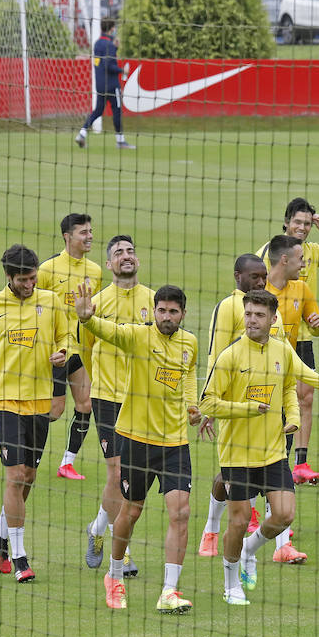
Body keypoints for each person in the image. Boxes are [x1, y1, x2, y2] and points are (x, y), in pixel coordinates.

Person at [75, 282, 199, 613]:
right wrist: (87, 319)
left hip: (175, 442)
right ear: (154, 311)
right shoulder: (138, 336)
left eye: (174, 311)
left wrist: (192, 404)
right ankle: (114, 576)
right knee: (131, 511)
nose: (167, 316)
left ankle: (169, 591)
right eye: (161, 310)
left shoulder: (190, 343)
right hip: (136, 440)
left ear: (183, 314)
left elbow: (187, 375)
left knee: (181, 512)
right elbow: (110, 331)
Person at [0, 245, 72, 583]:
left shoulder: (50, 301)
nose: (29, 284)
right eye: (23, 279)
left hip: (40, 402)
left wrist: (63, 352)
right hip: (5, 402)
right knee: (16, 475)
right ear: (8, 277)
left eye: (33, 277)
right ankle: (20, 556)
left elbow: (65, 335)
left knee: (29, 477)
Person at [199, 290, 317, 606]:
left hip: (273, 450)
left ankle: (250, 550)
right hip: (237, 451)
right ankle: (231, 584)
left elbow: (291, 387)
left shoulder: (282, 351)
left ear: (272, 319)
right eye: (248, 314)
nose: (252, 320)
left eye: (259, 315)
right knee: (238, 520)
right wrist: (246, 408)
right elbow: (207, 401)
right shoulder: (230, 356)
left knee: (284, 513)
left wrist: (292, 417)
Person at [255, 198, 319, 485]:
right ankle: (271, 461)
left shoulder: (312, 251)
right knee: (273, 400)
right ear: (286, 222)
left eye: (308, 223)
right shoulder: (269, 254)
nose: (303, 227)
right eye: (298, 222)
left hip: (302, 338)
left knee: (305, 399)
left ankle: (300, 463)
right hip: (272, 340)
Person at [81, 235, 153, 578]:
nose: (126, 256)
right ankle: (118, 549)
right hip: (108, 399)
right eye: (118, 253)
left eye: (130, 251)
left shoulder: (154, 302)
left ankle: (97, 527)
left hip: (143, 400)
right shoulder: (96, 303)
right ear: (108, 265)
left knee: (132, 477)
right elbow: (84, 348)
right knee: (119, 472)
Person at [197, 255, 271, 557]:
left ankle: (264, 531)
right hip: (234, 401)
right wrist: (211, 405)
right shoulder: (229, 307)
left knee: (265, 465)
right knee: (231, 471)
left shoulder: (267, 304)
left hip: (265, 401)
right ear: (238, 276)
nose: (261, 282)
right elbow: (217, 352)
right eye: (255, 277)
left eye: (264, 276)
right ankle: (211, 528)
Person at [262, 234, 319, 561]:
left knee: (278, 455)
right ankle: (227, 521)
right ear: (284, 260)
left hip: (286, 373)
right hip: (258, 382)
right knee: (249, 462)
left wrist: (316, 325)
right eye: (301, 258)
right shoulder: (259, 293)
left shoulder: (302, 289)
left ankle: (281, 537)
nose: (305, 264)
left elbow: (315, 330)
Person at [38, 213, 103, 481]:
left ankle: (67, 463)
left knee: (86, 404)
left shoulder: (96, 271)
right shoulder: (48, 270)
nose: (89, 236)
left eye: (90, 231)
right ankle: (25, 445)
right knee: (54, 410)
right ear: (67, 237)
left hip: (81, 350)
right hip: (53, 353)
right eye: (83, 232)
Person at [74, 19, 134, 149]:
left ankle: (82, 133)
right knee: (117, 111)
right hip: (112, 85)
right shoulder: (109, 45)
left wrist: (115, 48)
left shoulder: (97, 44)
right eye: (114, 28)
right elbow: (109, 65)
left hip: (100, 84)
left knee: (98, 110)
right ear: (112, 28)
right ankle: (120, 141)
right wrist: (122, 70)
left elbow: (103, 62)